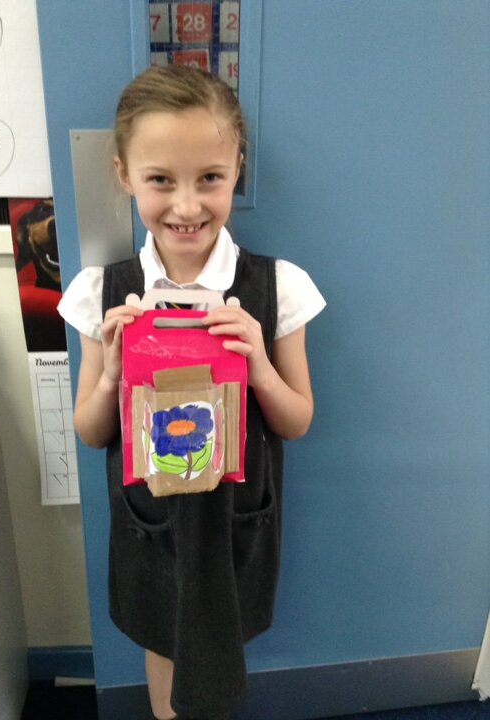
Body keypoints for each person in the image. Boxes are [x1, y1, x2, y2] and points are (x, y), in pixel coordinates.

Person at [58, 65, 326, 720]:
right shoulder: (101, 292)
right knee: (164, 633)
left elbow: (296, 420)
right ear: (124, 175)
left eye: (209, 177)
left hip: (236, 516)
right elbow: (90, 430)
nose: (185, 206)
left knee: (222, 632)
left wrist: (259, 366)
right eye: (160, 180)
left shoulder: (278, 286)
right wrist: (113, 373)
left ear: (237, 170)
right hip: (151, 523)